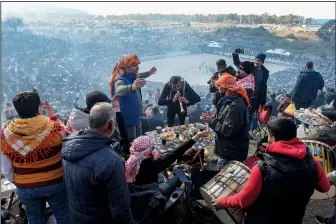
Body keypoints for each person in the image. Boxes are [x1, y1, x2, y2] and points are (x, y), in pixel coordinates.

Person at [212, 118, 330, 224]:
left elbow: (245, 200)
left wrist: (224, 201)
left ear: (273, 139)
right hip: (294, 218)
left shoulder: (262, 168)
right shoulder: (314, 163)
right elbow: (325, 188)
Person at [1, 90, 69, 224]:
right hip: (55, 181)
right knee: (64, 218)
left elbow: (6, 167)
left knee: (35, 220)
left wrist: (18, 181)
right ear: (39, 108)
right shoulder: (54, 127)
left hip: (25, 187)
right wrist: (53, 116)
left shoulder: (6, 135)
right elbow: (66, 143)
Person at [62, 102, 133, 224]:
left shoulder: (70, 146)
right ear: (110, 124)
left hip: (75, 217)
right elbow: (120, 207)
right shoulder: (111, 161)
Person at [125, 128, 210, 186]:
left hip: (136, 186)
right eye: (151, 146)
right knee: (178, 177)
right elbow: (175, 153)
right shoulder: (153, 164)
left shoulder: (131, 157)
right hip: (150, 191)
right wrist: (196, 137)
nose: (153, 147)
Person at [201, 74, 249, 170]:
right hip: (227, 148)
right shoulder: (228, 99)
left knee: (223, 177)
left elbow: (227, 131)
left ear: (225, 88)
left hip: (231, 152)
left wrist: (211, 121)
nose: (218, 89)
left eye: (220, 87)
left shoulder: (235, 107)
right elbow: (222, 119)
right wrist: (213, 118)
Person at [110, 54, 157, 141]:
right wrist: (132, 87)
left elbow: (140, 75)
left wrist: (149, 73)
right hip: (127, 120)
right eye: (134, 65)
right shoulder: (121, 80)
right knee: (131, 144)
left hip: (136, 117)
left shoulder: (133, 77)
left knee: (138, 141)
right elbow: (119, 90)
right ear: (127, 68)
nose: (137, 67)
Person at [233, 50, 269, 130]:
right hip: (244, 94)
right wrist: (235, 55)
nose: (256, 62)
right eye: (255, 60)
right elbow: (238, 63)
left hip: (255, 97)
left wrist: (263, 101)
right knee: (240, 112)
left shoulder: (265, 72)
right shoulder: (248, 65)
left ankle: (245, 132)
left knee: (249, 115)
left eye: (259, 61)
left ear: (262, 63)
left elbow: (264, 86)